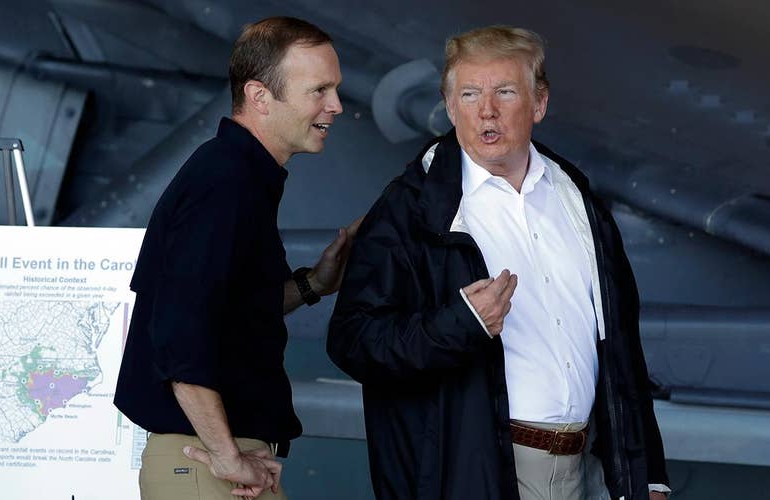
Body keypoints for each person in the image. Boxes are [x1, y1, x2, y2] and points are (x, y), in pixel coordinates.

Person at [327, 26, 669, 500]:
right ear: (450, 107)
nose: (486, 110)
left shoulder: (576, 197)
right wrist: (459, 325)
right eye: (469, 94)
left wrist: (646, 472)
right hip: (483, 471)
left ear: (539, 103)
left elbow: (623, 347)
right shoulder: (412, 207)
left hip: (591, 469)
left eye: (505, 92)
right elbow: (353, 340)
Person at [115, 16, 358, 500]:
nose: (336, 105)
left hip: (217, 463)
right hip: (209, 468)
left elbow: (231, 313)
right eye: (319, 90)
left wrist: (314, 283)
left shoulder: (237, 178)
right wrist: (226, 456)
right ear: (259, 95)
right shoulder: (224, 184)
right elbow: (179, 333)